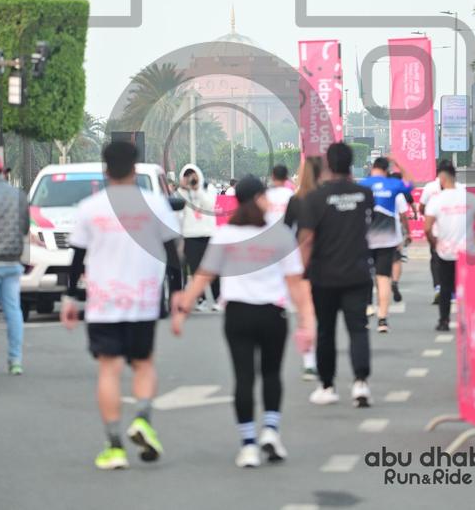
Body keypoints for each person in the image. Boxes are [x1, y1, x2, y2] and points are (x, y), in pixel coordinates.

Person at [171, 175, 314, 468]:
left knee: (244, 377)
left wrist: (183, 309)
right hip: (272, 314)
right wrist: (307, 321)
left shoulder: (225, 235)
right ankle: (271, 431)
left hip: (237, 314)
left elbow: (203, 276)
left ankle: (248, 444)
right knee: (271, 374)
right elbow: (296, 284)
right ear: (260, 198)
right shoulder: (280, 235)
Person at [61, 141, 180, 470]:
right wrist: (178, 293)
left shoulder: (90, 208)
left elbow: (77, 259)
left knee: (109, 370)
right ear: (135, 168)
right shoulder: (155, 204)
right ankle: (143, 420)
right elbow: (173, 254)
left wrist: (70, 297)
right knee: (143, 364)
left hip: (104, 302)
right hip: (143, 301)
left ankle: (114, 447)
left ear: (105, 169)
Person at [297, 142, 374, 407]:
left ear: (328, 165)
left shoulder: (315, 198)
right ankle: (361, 383)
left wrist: (300, 273)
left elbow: (307, 240)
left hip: (324, 275)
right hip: (358, 272)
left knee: (326, 331)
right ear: (351, 163)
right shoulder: (364, 194)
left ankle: (327, 386)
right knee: (358, 328)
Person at [424, 161, 475, 331]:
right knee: (467, 287)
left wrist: (434, 243)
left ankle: (444, 321)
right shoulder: (470, 198)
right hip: (467, 252)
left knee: (445, 287)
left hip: (445, 251)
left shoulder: (436, 200)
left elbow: (427, 228)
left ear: (442, 178)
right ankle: (469, 321)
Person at [358, 156, 413, 333]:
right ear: (386, 170)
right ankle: (382, 319)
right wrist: (399, 163)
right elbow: (410, 184)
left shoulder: (362, 185)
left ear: (372, 168)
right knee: (383, 279)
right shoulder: (392, 184)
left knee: (365, 277)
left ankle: (366, 310)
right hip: (387, 239)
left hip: (365, 238)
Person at [0, 152, 29, 377]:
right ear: (2, 171)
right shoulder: (18, 195)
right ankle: (15, 361)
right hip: (13, 261)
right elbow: (25, 227)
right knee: (13, 310)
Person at [284, 156, 323, 380]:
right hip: (327, 258)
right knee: (323, 313)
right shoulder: (326, 197)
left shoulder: (296, 200)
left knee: (306, 313)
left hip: (302, 260)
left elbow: (286, 231)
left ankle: (309, 361)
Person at [178, 164, 219, 311]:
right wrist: (184, 189)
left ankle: (216, 298)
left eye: (193, 175)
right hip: (190, 235)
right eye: (187, 176)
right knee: (196, 270)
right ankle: (200, 299)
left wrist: (197, 189)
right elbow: (179, 214)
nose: (190, 178)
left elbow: (209, 206)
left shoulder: (208, 189)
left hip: (208, 234)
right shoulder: (180, 193)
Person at [419, 160, 460, 304]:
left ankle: (438, 287)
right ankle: (453, 291)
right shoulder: (459, 188)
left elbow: (421, 207)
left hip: (436, 231)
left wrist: (430, 217)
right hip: (454, 231)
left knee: (437, 261)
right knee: (454, 262)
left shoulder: (429, 188)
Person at [389, 172, 413, 304]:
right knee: (396, 259)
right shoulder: (398, 194)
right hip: (395, 228)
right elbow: (404, 215)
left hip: (377, 230)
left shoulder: (376, 191)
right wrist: (408, 232)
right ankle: (395, 281)